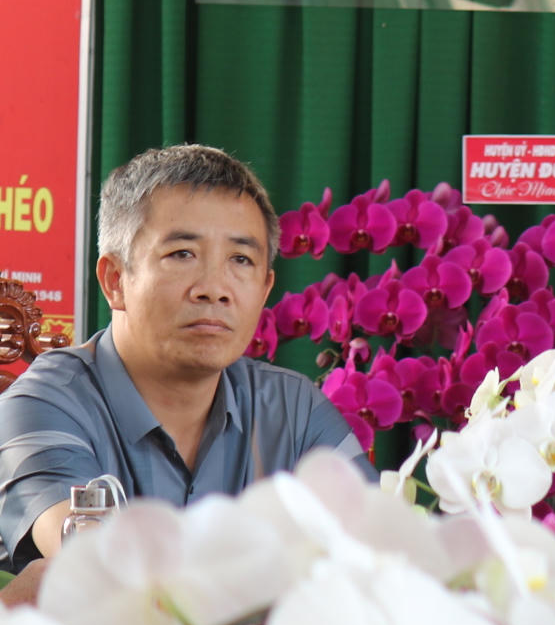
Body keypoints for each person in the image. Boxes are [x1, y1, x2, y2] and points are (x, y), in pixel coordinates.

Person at [0, 145, 371, 599]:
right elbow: (99, 567)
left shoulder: (295, 411)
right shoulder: (42, 404)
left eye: (241, 260)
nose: (214, 289)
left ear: (265, 288)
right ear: (115, 280)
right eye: (181, 254)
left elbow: (375, 554)